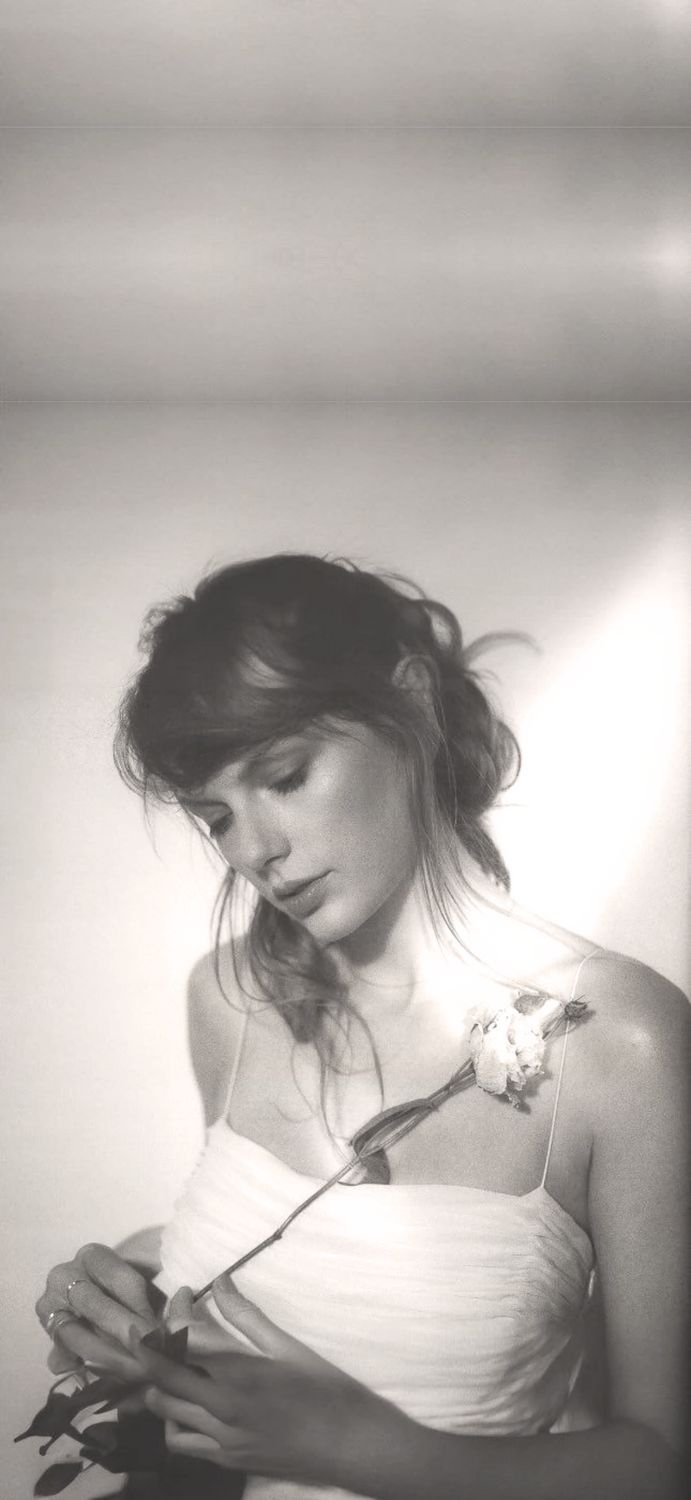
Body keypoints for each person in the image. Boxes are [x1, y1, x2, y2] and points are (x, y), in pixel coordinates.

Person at [36, 553, 688, 1499]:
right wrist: (131, 1312)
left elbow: (664, 1463)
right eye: (217, 817)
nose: (256, 850)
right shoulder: (228, 1000)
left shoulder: (620, 1043)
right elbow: (282, 1291)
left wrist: (370, 1451)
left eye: (288, 777)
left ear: (412, 701)